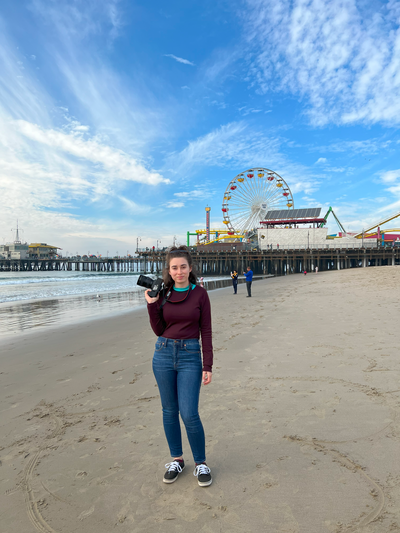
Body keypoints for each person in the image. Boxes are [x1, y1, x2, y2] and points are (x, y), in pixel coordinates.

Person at [145, 246, 213, 487]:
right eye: (174, 267)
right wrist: (152, 304)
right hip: (163, 353)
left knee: (189, 412)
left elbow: (206, 330)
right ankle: (177, 459)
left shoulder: (200, 294)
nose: (179, 271)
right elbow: (159, 329)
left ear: (190, 268)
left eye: (183, 266)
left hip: (190, 356)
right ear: (169, 271)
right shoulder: (163, 294)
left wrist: (208, 365)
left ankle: (201, 463)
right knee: (169, 410)